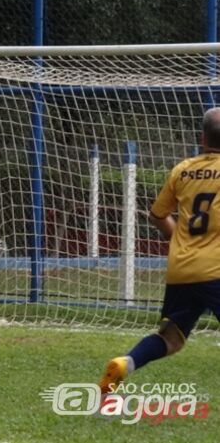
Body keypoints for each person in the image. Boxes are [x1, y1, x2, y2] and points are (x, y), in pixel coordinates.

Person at [98, 107, 220, 393]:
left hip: (182, 269)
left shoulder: (182, 170)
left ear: (202, 138)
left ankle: (125, 362)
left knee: (171, 339)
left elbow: (156, 215)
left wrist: (179, 238)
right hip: (216, 269)